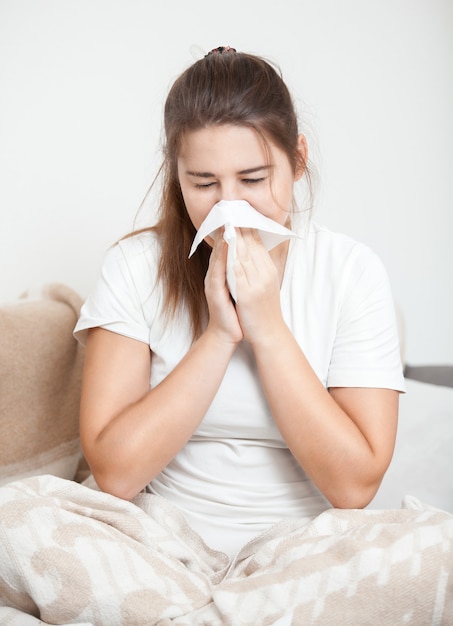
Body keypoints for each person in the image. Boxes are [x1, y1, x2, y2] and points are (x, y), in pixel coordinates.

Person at [0, 46, 452, 626]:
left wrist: (267, 328)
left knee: (437, 552)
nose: (229, 209)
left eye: (254, 179)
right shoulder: (135, 265)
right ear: (178, 179)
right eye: (204, 183)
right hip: (157, 546)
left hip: (303, 552)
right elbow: (114, 472)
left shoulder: (350, 270)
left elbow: (355, 485)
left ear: (298, 160)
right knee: (14, 516)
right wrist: (217, 336)